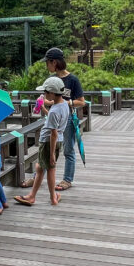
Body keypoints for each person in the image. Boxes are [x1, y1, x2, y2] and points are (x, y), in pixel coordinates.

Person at [13, 76, 69, 207]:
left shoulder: (55, 110)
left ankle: (49, 198)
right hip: (56, 140)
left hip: (49, 142)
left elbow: (53, 133)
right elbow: (53, 119)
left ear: (52, 93)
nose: (44, 95)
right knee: (40, 168)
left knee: (49, 169)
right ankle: (37, 196)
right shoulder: (64, 104)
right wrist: (43, 108)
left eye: (45, 92)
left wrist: (51, 155)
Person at [44, 47, 83, 192]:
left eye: (47, 62)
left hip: (68, 119)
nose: (46, 66)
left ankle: (67, 179)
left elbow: (81, 102)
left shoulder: (72, 80)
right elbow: (47, 98)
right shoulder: (51, 80)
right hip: (54, 119)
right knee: (47, 147)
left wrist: (65, 103)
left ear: (54, 62)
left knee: (68, 150)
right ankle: (37, 176)